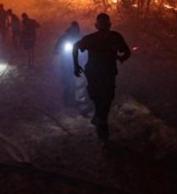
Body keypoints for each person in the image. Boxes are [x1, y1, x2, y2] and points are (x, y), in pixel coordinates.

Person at [73, 13, 131, 144]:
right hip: (94, 74)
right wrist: (76, 65)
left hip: (108, 73)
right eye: (102, 25)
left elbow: (127, 52)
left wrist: (121, 58)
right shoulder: (91, 39)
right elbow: (75, 47)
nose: (104, 27)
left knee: (107, 98)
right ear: (96, 26)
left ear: (109, 25)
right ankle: (101, 124)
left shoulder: (115, 37)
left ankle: (100, 120)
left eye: (106, 25)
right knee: (99, 98)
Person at [53, 21, 82, 106]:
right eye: (73, 28)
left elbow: (87, 47)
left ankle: (76, 99)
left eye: (76, 28)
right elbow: (57, 46)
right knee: (66, 80)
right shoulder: (64, 37)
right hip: (66, 61)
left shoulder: (81, 37)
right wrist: (56, 50)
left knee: (78, 81)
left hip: (78, 61)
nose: (74, 29)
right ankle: (65, 99)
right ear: (71, 28)